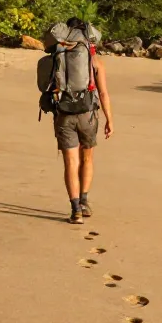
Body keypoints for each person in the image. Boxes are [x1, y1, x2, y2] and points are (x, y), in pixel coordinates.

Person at [51, 21, 114, 224]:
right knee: (87, 159)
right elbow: (103, 93)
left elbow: (49, 87)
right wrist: (109, 119)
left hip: (64, 114)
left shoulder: (58, 56)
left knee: (71, 161)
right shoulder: (95, 62)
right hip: (88, 116)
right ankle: (85, 201)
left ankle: (75, 209)